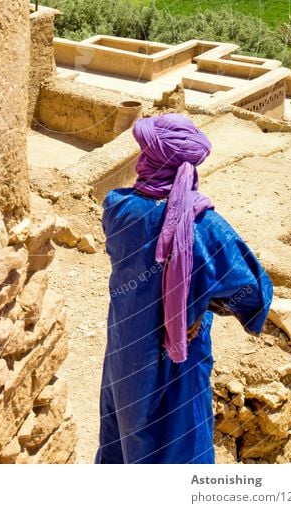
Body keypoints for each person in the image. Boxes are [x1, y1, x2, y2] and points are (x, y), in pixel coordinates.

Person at [95, 113, 273, 464]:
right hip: (177, 361)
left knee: (124, 437)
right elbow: (253, 290)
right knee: (176, 447)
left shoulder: (117, 208)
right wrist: (204, 305)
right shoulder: (204, 228)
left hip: (125, 350)